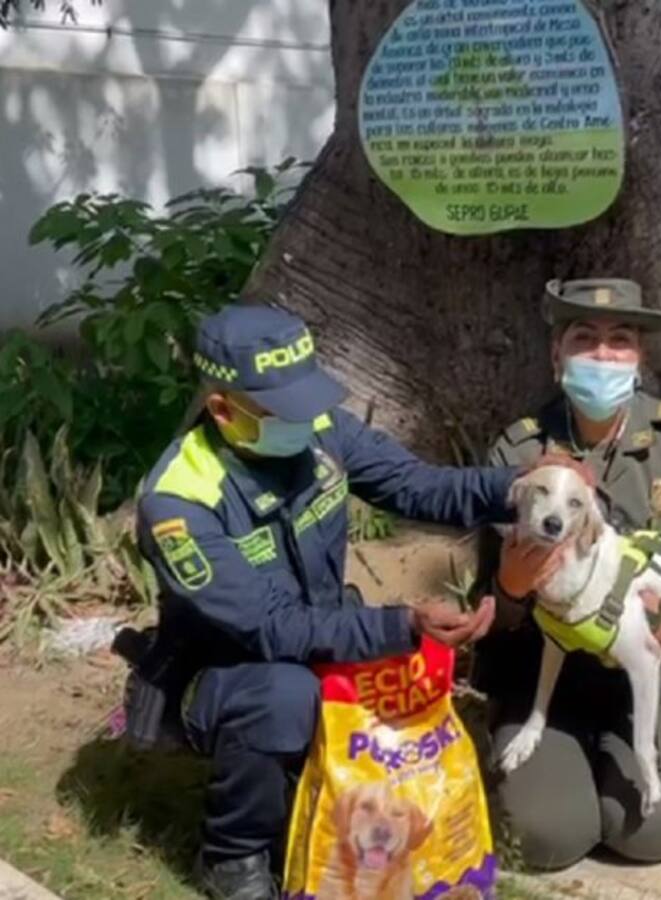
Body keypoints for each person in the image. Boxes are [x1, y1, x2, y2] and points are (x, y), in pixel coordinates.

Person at [133, 304, 513, 900]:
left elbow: (418, 484)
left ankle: (316, 802)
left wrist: (519, 487)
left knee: (392, 699)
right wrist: (401, 624)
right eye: (284, 410)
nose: (306, 421)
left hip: (322, 635)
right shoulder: (179, 501)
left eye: (309, 401)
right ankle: (234, 855)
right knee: (285, 695)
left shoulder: (320, 432)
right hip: (222, 671)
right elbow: (270, 629)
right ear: (222, 409)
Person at [471, 278, 661, 870]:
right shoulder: (519, 453)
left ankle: (616, 757)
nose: (604, 355)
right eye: (585, 339)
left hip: (649, 672)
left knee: (649, 836)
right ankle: (555, 757)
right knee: (549, 837)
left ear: (640, 358)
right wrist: (512, 589)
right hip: (548, 673)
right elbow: (493, 607)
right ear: (556, 355)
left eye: (621, 340)